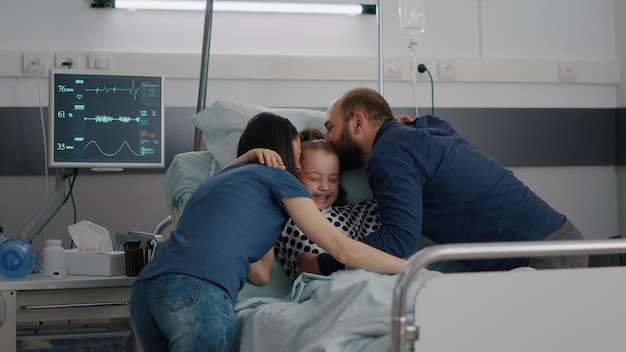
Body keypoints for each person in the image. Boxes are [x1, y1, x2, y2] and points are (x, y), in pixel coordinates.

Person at [129, 112, 406, 352]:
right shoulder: (280, 178)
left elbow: (260, 273)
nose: (298, 166)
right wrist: (410, 267)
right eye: (297, 157)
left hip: (144, 294)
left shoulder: (215, 184)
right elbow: (342, 248)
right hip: (197, 290)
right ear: (280, 152)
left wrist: (245, 158)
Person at [297, 87, 588, 276]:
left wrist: (323, 264)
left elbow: (399, 240)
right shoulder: (426, 128)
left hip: (543, 259)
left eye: (331, 127)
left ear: (358, 122)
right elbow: (435, 127)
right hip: (565, 240)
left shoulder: (388, 154)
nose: (328, 139)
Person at [275, 128, 380, 279]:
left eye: (333, 179)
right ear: (295, 176)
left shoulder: (353, 214)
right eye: (314, 178)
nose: (325, 187)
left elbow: (394, 204)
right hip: (321, 289)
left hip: (362, 281)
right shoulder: (283, 219)